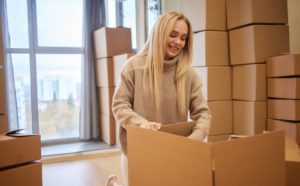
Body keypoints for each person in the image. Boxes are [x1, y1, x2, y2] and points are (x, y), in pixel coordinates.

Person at [107, 11, 212, 186]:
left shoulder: (189, 75)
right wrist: (141, 124)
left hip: (172, 151)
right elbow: (119, 105)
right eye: (173, 35)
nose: (178, 42)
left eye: (183, 38)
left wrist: (193, 140)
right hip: (138, 150)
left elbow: (204, 114)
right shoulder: (134, 67)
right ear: (159, 33)